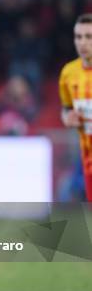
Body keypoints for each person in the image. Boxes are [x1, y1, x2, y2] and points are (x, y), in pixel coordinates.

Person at [59, 13, 92, 201]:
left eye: (89, 37)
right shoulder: (68, 73)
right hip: (88, 160)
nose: (83, 43)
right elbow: (66, 107)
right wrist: (67, 117)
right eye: (78, 37)